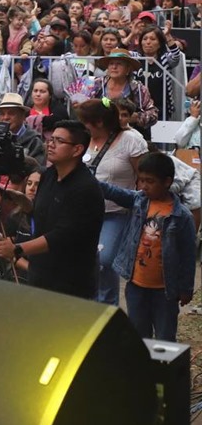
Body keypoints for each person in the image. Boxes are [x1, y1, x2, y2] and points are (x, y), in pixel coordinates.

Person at [0, 121, 105, 300]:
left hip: (69, 282)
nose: (50, 144)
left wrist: (17, 249)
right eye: (51, 139)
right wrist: (25, 204)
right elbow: (43, 216)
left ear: (77, 150)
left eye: (59, 141)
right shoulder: (49, 175)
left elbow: (62, 235)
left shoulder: (85, 188)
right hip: (40, 275)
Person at [98, 152, 196, 341]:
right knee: (138, 334)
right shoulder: (139, 201)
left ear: (167, 182)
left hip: (165, 291)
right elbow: (115, 192)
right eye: (141, 180)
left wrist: (186, 288)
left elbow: (188, 255)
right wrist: (93, 182)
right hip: (136, 285)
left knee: (165, 335)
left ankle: (163, 369)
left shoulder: (182, 216)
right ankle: (143, 369)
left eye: (149, 181)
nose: (143, 186)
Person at [75, 97, 148, 305]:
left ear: (98, 122)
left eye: (85, 121)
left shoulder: (130, 140)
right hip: (84, 212)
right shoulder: (83, 139)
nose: (82, 126)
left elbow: (145, 177)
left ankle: (107, 310)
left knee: (104, 261)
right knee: (83, 262)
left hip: (117, 211)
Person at [0, 93, 47, 169]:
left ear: (23, 116)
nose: (5, 117)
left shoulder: (34, 142)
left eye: (11, 113)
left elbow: (38, 171)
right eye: (2, 114)